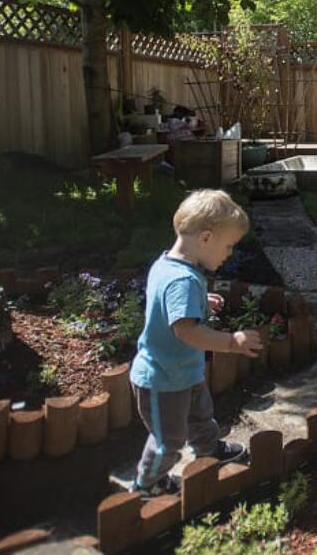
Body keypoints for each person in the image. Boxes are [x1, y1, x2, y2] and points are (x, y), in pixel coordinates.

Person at [129, 189, 265, 497]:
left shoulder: (168, 265)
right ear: (206, 238)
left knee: (200, 415)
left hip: (182, 372)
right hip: (162, 380)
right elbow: (186, 331)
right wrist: (232, 341)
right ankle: (146, 485)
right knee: (169, 440)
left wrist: (201, 302)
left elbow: (170, 307)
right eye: (228, 246)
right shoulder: (183, 281)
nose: (229, 253)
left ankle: (209, 450)